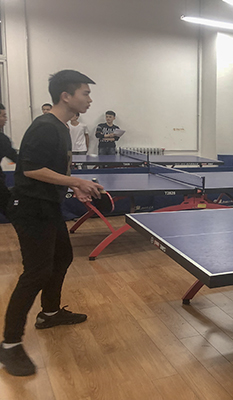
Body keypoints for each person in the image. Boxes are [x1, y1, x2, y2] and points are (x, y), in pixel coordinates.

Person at [0, 69, 103, 377]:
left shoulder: (61, 127)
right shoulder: (45, 126)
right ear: (66, 96)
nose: (90, 99)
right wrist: (75, 181)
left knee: (62, 257)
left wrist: (73, 188)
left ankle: (49, 313)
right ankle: (9, 345)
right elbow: (31, 169)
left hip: (48, 205)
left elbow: (52, 170)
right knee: (36, 273)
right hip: (31, 209)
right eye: (85, 93)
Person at [0, 103, 19, 215]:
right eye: (3, 116)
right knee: (9, 209)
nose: (6, 119)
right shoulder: (2, 139)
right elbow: (15, 157)